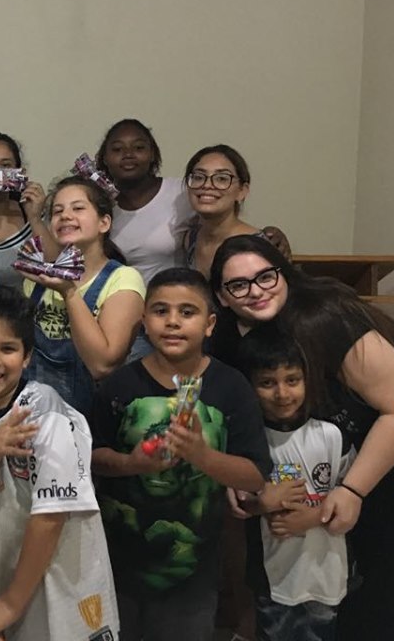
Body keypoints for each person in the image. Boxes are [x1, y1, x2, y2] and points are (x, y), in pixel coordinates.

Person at [208, 234, 394, 640]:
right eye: (238, 285)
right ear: (221, 296)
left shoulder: (323, 318)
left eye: (266, 276)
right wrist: (236, 475)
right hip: (336, 456)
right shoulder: (230, 337)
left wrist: (353, 490)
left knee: (392, 586)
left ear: (284, 274)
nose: (255, 291)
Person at [91, 267, 271, 641]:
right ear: (144, 321)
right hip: (114, 565)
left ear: (210, 324)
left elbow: (255, 474)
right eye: (161, 311)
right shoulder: (119, 384)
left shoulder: (231, 387)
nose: (172, 321)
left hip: (193, 573)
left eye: (187, 312)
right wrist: (130, 463)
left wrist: (202, 456)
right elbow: (91, 457)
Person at [0, 285, 120, 641]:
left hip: (65, 596)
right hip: (3, 589)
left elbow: (51, 517)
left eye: (7, 349)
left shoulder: (44, 410)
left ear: (26, 357)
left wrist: (12, 602)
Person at [228, 329, 355, 641]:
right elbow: (237, 507)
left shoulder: (332, 436)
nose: (282, 393)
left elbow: (352, 499)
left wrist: (313, 517)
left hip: (327, 573)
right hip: (274, 578)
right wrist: (261, 504)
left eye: (292, 380)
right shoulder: (248, 443)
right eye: (267, 383)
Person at [93, 119, 290, 283]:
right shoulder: (99, 206)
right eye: (117, 149)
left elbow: (228, 221)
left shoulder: (180, 193)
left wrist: (269, 236)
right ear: (104, 158)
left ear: (152, 153)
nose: (128, 155)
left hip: (178, 307)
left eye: (138, 147)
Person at [20, 176, 145, 419]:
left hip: (92, 422)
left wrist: (68, 292)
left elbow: (102, 365)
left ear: (104, 223)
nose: (65, 216)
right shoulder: (36, 280)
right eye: (57, 211)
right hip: (35, 419)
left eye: (78, 208)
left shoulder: (123, 279)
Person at [0, 132, 56, 287]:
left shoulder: (32, 213)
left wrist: (34, 218)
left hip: (27, 302)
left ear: (19, 172)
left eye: (5, 166)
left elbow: (54, 266)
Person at [182, 144, 284, 278]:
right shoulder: (191, 238)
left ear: (242, 191)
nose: (207, 185)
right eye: (199, 177)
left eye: (222, 178)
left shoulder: (259, 246)